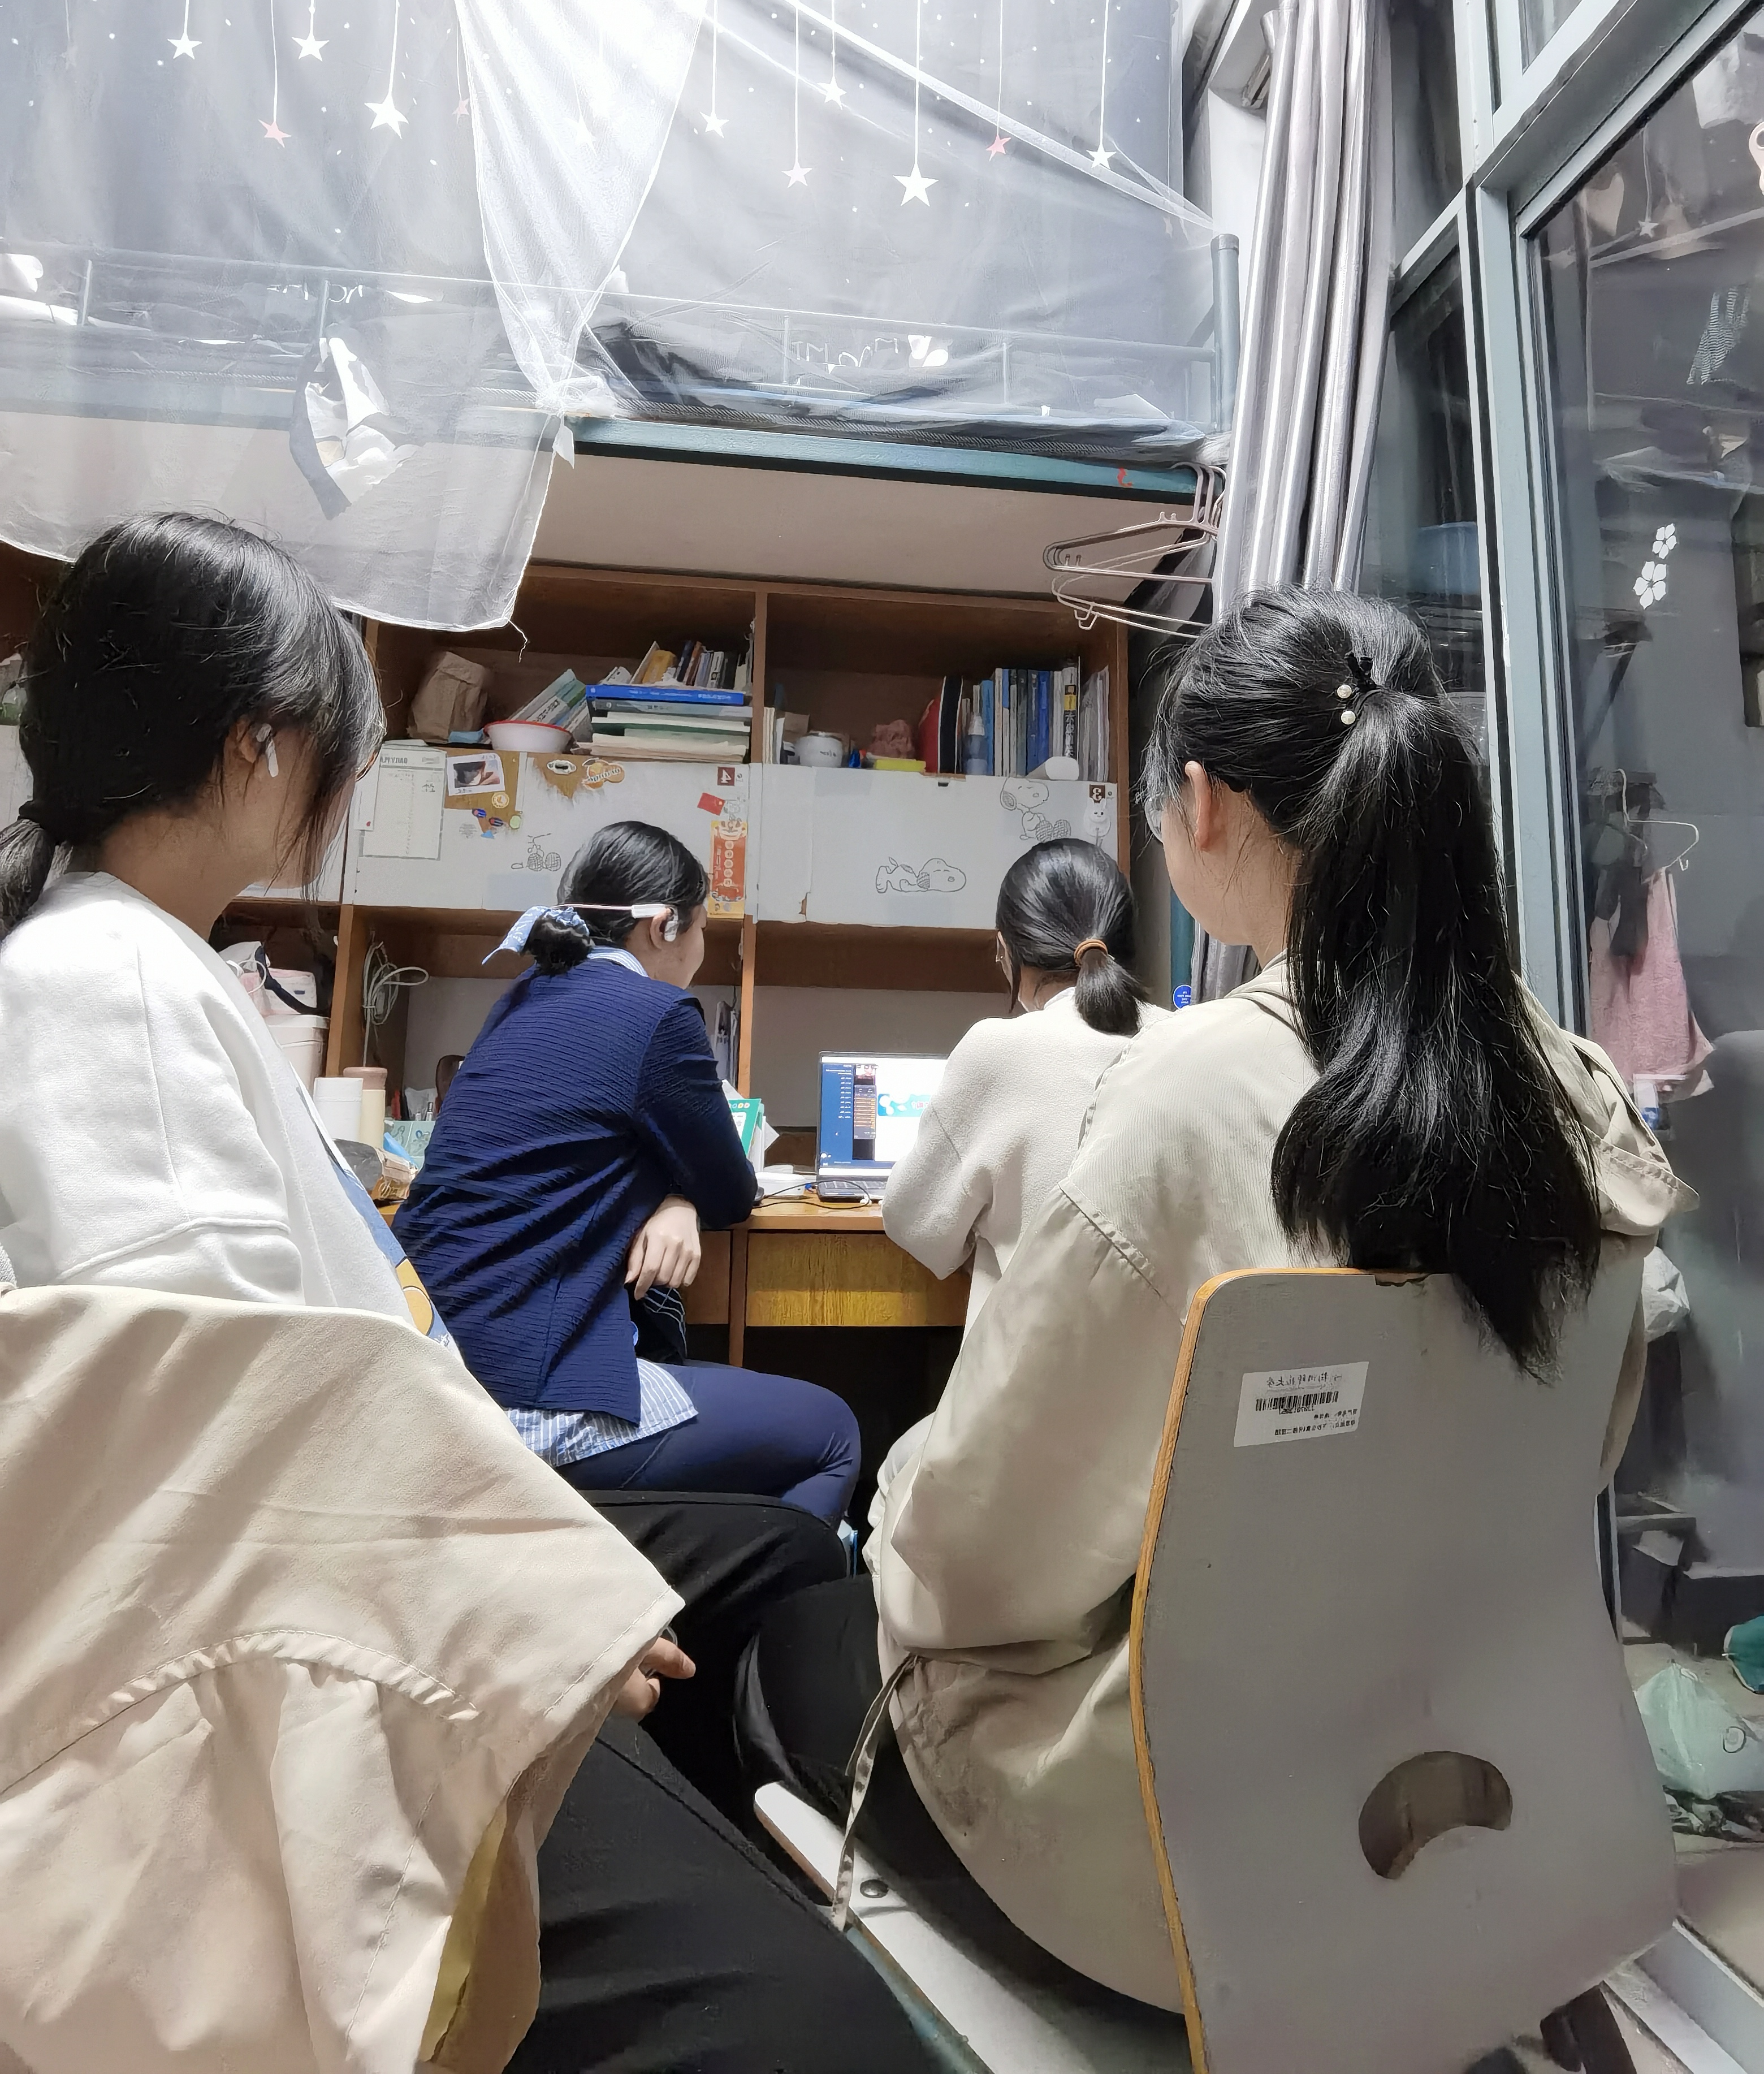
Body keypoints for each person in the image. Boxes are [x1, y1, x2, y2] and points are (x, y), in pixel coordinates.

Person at [0, 512, 940, 2074]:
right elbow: (218, 1458)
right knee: (824, 1454)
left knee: (769, 1554)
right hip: (338, 1590)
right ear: (256, 748)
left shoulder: (219, 970)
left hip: (436, 1458)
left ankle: (726, 1847)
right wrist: (521, 1602)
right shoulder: (114, 987)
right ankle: (757, 1885)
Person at [741, 586, 1689, 2010]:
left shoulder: (1190, 1097)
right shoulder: (1571, 1084)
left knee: (784, 1646)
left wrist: (898, 1504)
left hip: (1186, 1867)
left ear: (1199, 802)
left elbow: (983, 1566)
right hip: (1472, 1798)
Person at [395, 819, 861, 1522]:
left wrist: (673, 1197)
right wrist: (687, 1194)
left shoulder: (516, 1000)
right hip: (531, 1399)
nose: (703, 951)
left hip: (431, 1374)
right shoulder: (657, 1012)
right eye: (703, 929)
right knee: (833, 1433)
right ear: (664, 925)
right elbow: (732, 1190)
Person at [872, 836, 1149, 1496]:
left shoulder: (998, 1048)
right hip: (1157, 1431)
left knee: (893, 1471)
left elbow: (913, 1221)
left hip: (1032, 1429)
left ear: (1006, 951)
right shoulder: (1188, 1040)